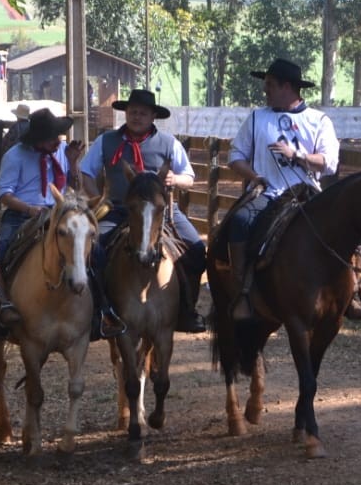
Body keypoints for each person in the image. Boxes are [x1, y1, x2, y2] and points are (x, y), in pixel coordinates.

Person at [79, 89, 208, 333]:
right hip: (118, 209)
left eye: (143, 113)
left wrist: (175, 179)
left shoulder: (169, 143)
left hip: (162, 211)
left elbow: (189, 177)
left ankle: (186, 310)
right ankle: (101, 311)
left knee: (196, 250)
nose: (136, 117)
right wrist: (97, 199)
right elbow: (86, 171)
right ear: (125, 113)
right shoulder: (106, 141)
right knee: (93, 251)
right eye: (132, 112)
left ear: (152, 117)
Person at [224, 57, 339, 320]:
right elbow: (235, 156)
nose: (265, 91)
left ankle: (351, 292)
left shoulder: (319, 120)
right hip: (269, 193)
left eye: (270, 85)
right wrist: (254, 176)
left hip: (308, 194)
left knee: (352, 223)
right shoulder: (256, 118)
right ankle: (241, 291)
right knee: (240, 221)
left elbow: (329, 163)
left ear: (287, 87)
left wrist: (296, 154)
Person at [0, 107, 80, 268]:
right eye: (50, 138)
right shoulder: (14, 156)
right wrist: (29, 209)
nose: (57, 141)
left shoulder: (63, 149)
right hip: (21, 214)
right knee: (1, 251)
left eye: (58, 136)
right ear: (38, 139)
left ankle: (97, 288)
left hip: (58, 211)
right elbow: (4, 195)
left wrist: (73, 163)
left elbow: (76, 186)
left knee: (91, 248)